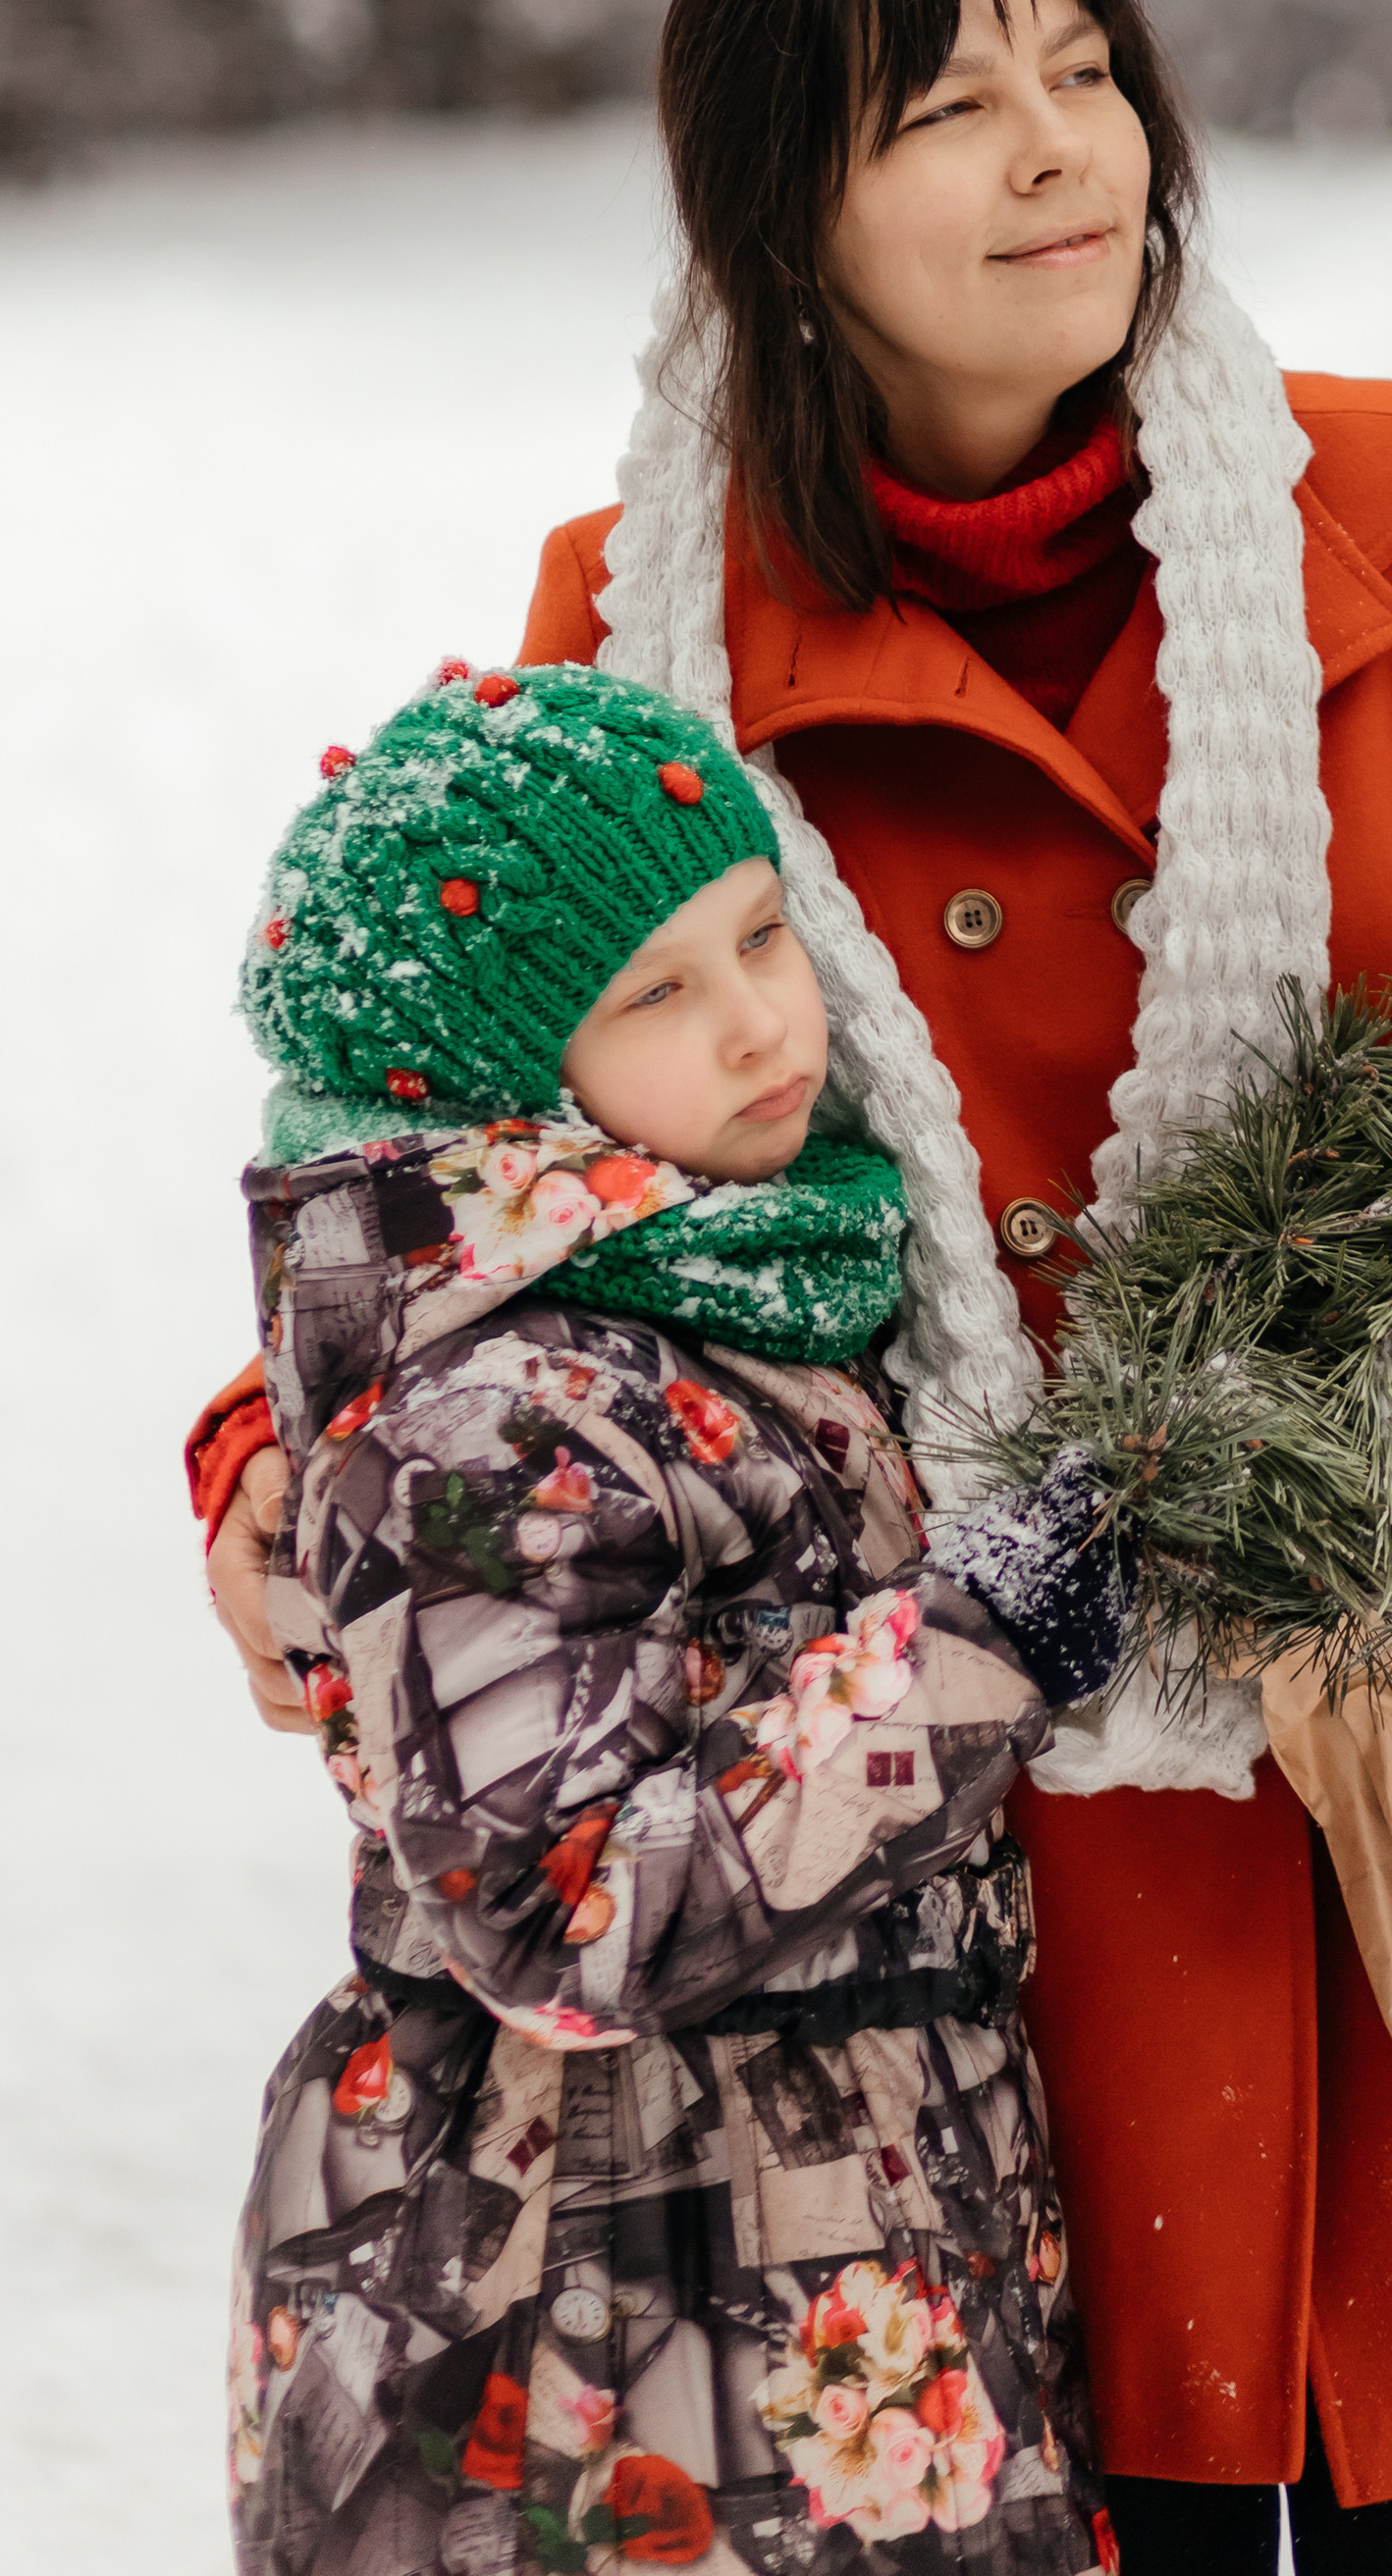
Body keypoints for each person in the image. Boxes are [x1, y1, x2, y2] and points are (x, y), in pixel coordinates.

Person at [194, 0, 1392, 2573]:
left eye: (1087, 72)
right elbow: (497, 1115)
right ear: (784, 217)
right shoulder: (637, 617)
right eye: (950, 108)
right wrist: (282, 1452)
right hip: (1013, 1904)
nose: (1060, 151)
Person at [225, 657, 1132, 2575]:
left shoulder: (745, 1282)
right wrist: (977, 1647)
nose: (757, 1022)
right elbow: (559, 1906)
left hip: (816, 2281)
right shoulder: (499, 1410)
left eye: (761, 936)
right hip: (596, 2326)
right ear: (492, 1077)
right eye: (655, 994)